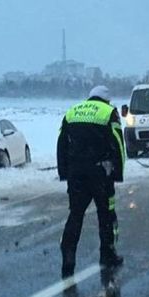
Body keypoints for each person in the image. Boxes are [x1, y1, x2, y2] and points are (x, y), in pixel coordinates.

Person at [57, 85, 125, 279]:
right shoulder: (108, 112)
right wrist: (118, 172)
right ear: (106, 99)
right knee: (106, 215)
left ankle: (68, 258)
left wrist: (64, 172)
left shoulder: (72, 112)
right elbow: (118, 143)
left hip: (76, 174)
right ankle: (107, 255)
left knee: (75, 215)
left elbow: (61, 143)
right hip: (100, 173)